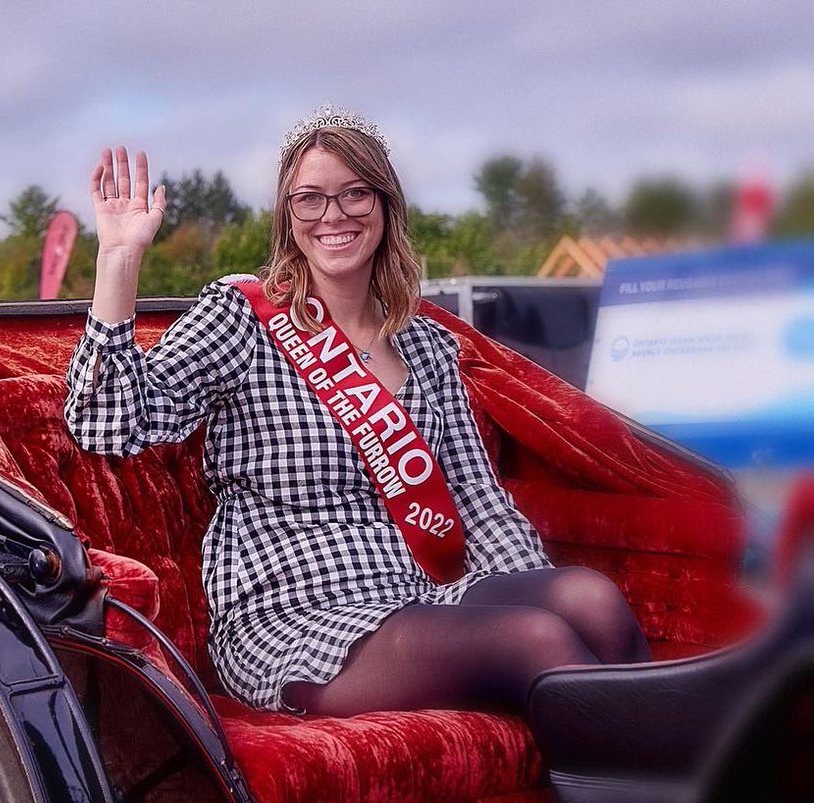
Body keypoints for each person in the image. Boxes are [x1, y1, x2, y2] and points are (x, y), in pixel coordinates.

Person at [64, 106, 650, 718]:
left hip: (426, 593)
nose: (333, 215)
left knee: (590, 600)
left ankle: (666, 800)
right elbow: (106, 421)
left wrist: (523, 590)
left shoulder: (427, 344)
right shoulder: (243, 320)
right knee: (538, 639)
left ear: (385, 205)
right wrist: (119, 259)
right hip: (297, 616)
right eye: (309, 200)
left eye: (354, 194)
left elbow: (477, 498)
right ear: (288, 220)